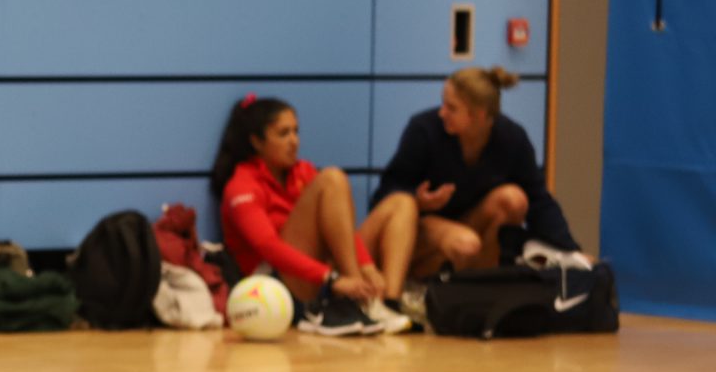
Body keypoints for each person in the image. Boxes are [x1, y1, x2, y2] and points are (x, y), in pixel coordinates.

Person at [372, 65, 585, 295]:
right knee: (465, 243)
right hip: (424, 231)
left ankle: (481, 288)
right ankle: (416, 288)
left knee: (513, 200)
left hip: (471, 228)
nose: (442, 112)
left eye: (451, 108)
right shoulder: (424, 130)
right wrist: (418, 201)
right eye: (443, 103)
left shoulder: (512, 138)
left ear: (478, 115)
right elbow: (385, 195)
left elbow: (539, 201)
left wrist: (571, 252)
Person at [211, 95, 412, 336]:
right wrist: (331, 278)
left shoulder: (302, 171)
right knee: (331, 178)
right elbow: (268, 247)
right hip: (278, 284)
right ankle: (358, 300)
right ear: (256, 141)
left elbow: (341, 228)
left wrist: (367, 267)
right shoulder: (242, 185)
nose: (294, 141)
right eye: (283, 134)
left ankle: (387, 303)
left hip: (323, 271)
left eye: (296, 132)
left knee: (402, 203)